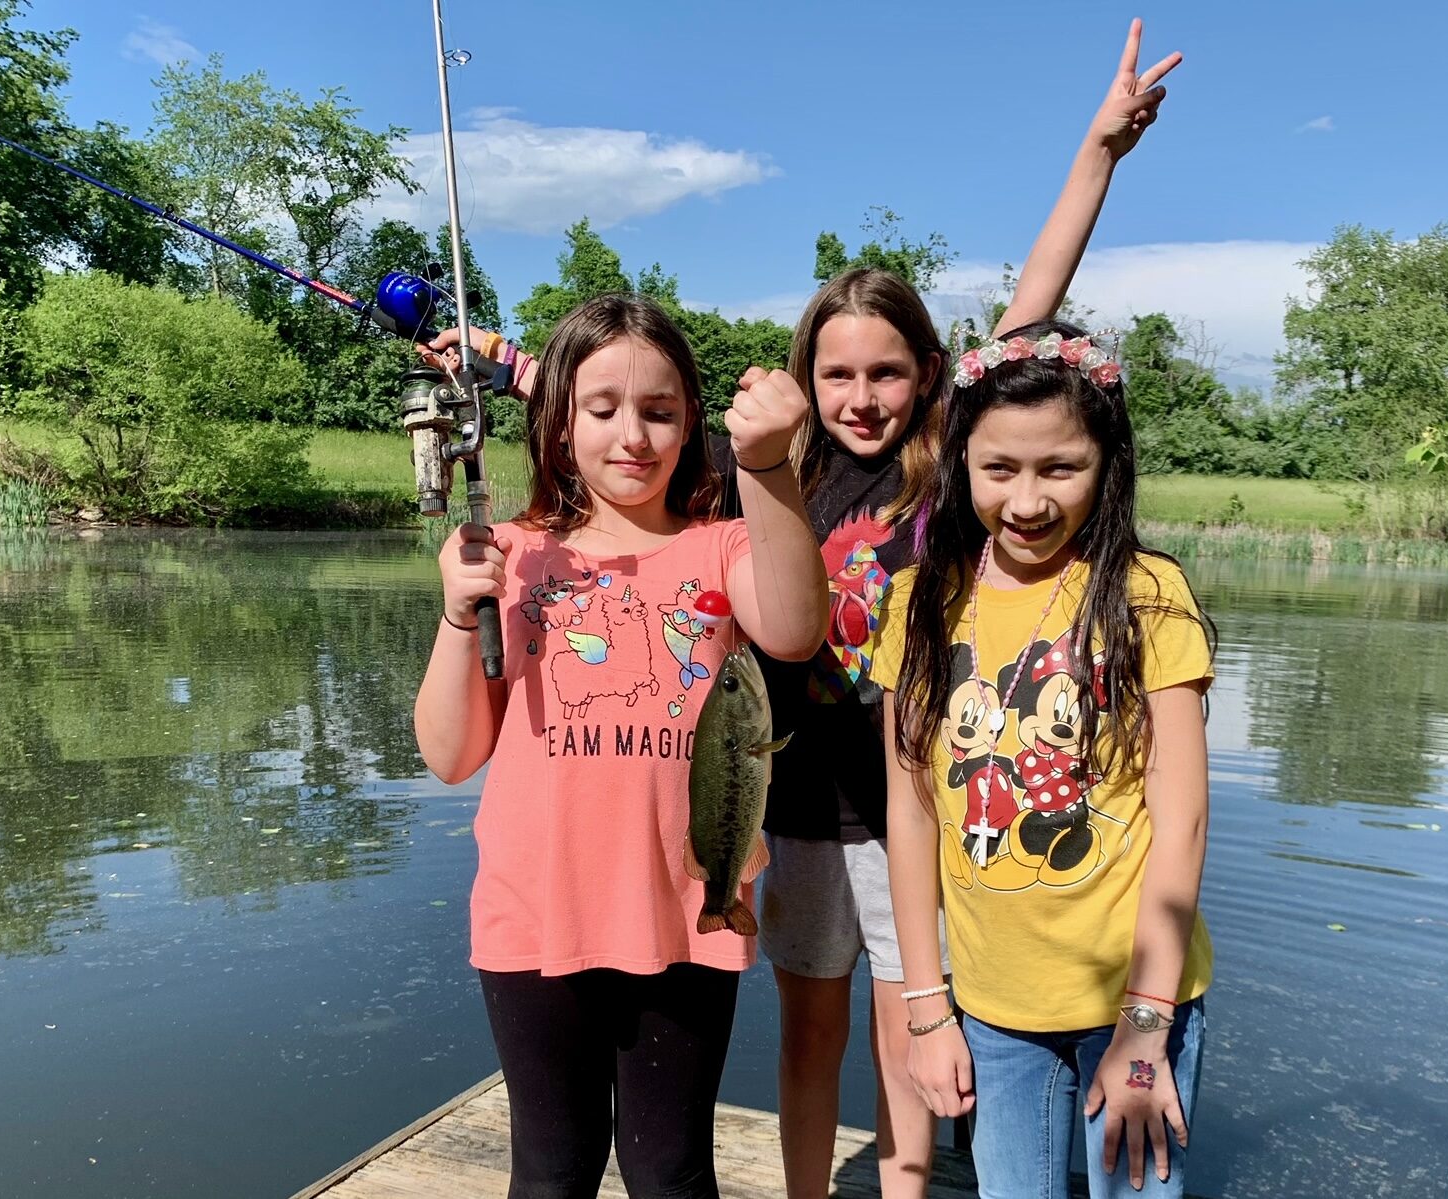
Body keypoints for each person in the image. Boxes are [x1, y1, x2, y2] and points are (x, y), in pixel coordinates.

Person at [704, 20, 1183, 1199]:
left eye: (886, 372)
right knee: (809, 1027)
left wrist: (1100, 150)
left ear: (928, 372)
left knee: (912, 1025)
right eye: (836, 374)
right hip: (801, 795)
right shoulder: (770, 474)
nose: (860, 396)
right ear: (806, 377)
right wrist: (513, 366)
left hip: (917, 802)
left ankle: (909, 1187)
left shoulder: (954, 466)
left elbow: (1035, 304)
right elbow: (625, 436)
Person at [413, 293, 827, 1199]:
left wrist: (768, 468)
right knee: (552, 1169)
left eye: (660, 410)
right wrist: (458, 611)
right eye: (602, 409)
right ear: (558, 425)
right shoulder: (511, 551)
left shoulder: (723, 547)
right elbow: (449, 755)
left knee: (670, 1169)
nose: (632, 434)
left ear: (691, 428)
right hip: (534, 914)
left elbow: (796, 629)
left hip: (685, 910)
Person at [871, 318, 1217, 1199]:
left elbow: (1182, 820)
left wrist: (1147, 1029)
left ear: (1108, 466)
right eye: (999, 470)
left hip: (1135, 1003)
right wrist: (925, 1005)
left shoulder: (1147, 594)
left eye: (1061, 468)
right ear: (961, 466)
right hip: (992, 1010)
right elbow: (910, 814)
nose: (1027, 501)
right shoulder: (919, 601)